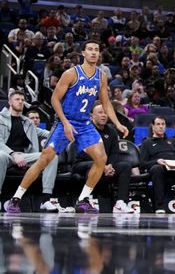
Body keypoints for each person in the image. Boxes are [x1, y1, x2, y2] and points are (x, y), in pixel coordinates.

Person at [3, 40, 128, 214]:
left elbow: (106, 103)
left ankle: (83, 199)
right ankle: (15, 199)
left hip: (84, 124)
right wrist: (66, 123)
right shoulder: (71, 73)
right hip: (65, 121)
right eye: (90, 49)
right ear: (83, 53)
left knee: (101, 158)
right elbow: (54, 99)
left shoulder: (101, 76)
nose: (93, 52)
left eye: (96, 50)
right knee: (44, 160)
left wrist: (118, 123)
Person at [0, 91, 69, 213]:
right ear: (10, 102)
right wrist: (13, 154)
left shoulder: (27, 122)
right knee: (0, 156)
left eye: (22, 99)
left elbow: (46, 134)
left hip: (24, 156)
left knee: (51, 156)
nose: (20, 101)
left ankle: (45, 200)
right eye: (17, 99)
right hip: (6, 154)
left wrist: (65, 133)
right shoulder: (1, 119)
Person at [73, 102, 135, 213]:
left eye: (105, 113)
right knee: (96, 168)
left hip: (105, 164)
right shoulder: (86, 130)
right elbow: (84, 154)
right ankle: (88, 200)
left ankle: (120, 203)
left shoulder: (111, 130)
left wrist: (109, 165)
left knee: (125, 166)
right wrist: (102, 166)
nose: (104, 115)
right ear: (92, 116)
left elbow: (115, 152)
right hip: (84, 163)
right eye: (100, 113)